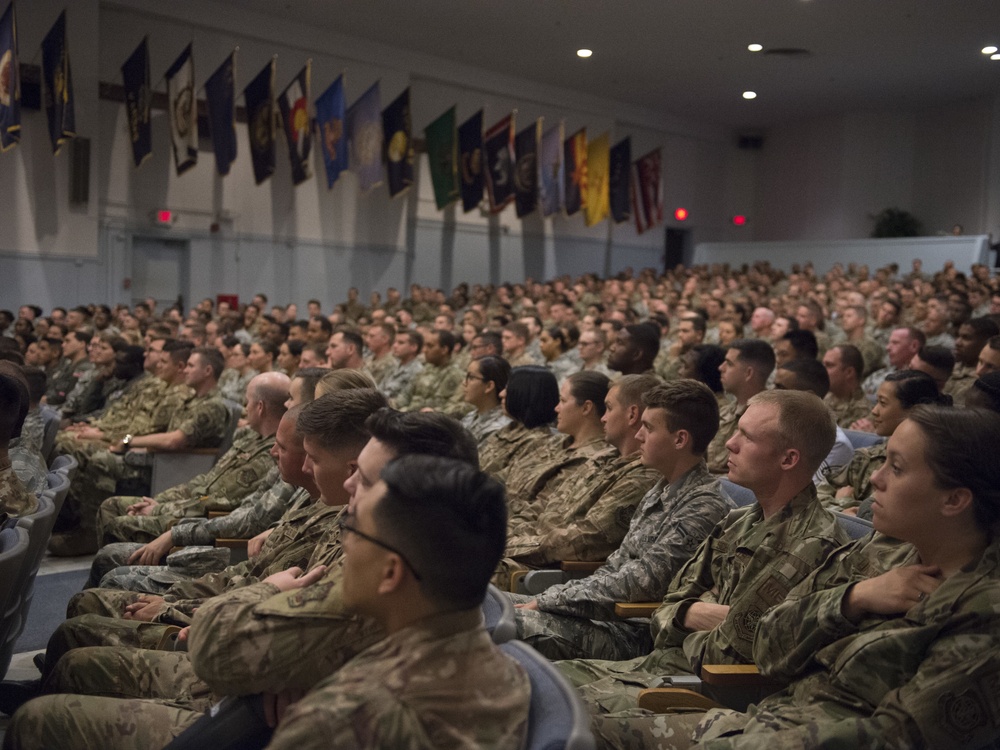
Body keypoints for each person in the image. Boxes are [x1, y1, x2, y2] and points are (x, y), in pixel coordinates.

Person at [666, 406, 1000, 749]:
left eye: (896, 468)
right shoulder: (885, 549)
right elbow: (766, 640)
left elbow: (899, 737)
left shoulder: (984, 610)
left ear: (955, 499)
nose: (874, 478)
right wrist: (854, 597)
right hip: (761, 719)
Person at [562, 392, 850, 744]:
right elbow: (665, 612)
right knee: (535, 680)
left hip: (709, 696)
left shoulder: (815, 544)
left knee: (555, 716)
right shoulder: (736, 521)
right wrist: (694, 612)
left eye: (747, 436)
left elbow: (726, 653)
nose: (729, 443)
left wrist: (690, 616)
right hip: (657, 667)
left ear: (788, 459)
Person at [259, 455, 531, 749]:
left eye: (353, 529)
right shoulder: (508, 672)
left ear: (390, 573)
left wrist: (266, 590)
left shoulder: (338, 718)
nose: (344, 544)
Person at [509, 379, 731, 662]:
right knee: (485, 603)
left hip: (636, 633)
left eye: (649, 428)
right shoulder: (660, 490)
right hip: (605, 617)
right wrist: (554, 598)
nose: (638, 436)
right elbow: (614, 567)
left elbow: (639, 583)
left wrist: (549, 601)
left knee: (498, 624)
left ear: (680, 439)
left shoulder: (704, 506)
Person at [499, 374, 661, 575]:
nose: (603, 417)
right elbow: (544, 509)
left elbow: (585, 539)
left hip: (550, 569)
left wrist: (503, 544)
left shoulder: (643, 477)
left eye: (609, 408)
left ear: (632, 415)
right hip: (526, 550)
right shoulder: (603, 458)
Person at [818, 370, 949, 515]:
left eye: (883, 403)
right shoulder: (865, 459)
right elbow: (816, 494)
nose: (874, 410)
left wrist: (846, 505)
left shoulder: (928, 469)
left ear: (914, 411)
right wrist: (842, 510)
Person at [496, 370, 610, 521]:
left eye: (563, 401)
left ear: (586, 408)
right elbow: (503, 477)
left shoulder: (594, 460)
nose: (556, 408)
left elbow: (540, 512)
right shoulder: (551, 441)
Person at [706, 339, 775, 473]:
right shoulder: (725, 411)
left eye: (730, 364)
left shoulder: (768, 418)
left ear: (748, 373)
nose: (721, 368)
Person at [478, 365, 559, 475]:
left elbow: (500, 483)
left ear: (527, 396)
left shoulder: (538, 443)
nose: (501, 394)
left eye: (510, 389)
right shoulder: (511, 428)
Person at [460, 355, 512, 443]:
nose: (464, 383)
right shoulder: (471, 416)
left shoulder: (499, 428)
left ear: (489, 386)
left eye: (471, 378)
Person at [822, 344, 870, 427]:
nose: (822, 370)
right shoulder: (824, 398)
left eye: (829, 365)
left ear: (849, 372)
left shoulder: (862, 412)